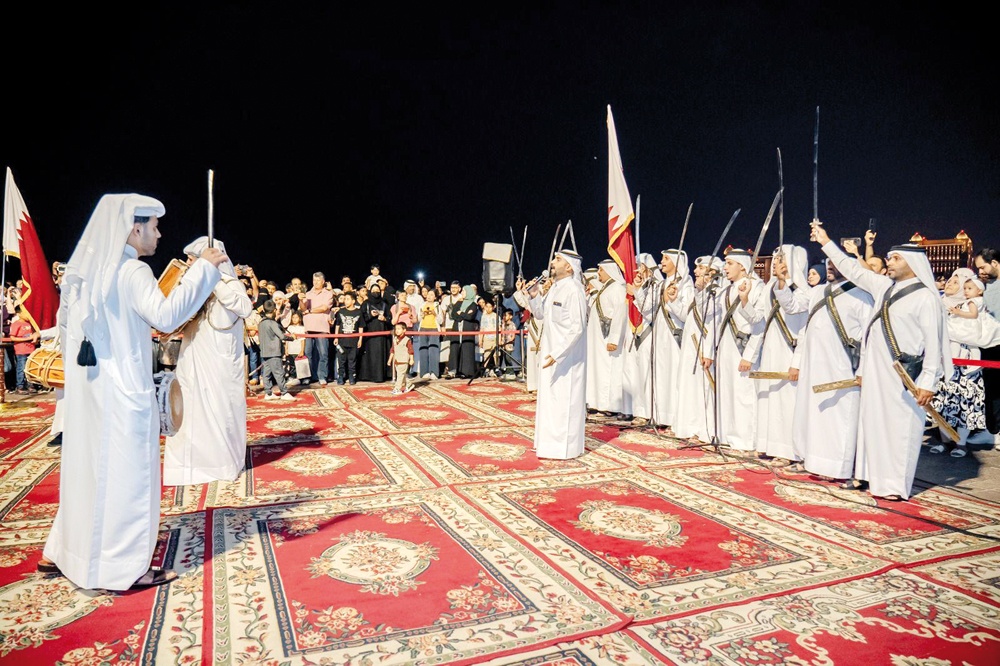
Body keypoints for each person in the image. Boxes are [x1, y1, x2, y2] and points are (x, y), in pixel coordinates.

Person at [40, 194, 225, 590]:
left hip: (89, 394)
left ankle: (63, 552)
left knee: (85, 473)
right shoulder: (132, 270)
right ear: (134, 227)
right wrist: (203, 271)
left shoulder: (84, 274)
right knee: (129, 481)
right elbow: (167, 316)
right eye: (154, 227)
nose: (158, 235)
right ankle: (125, 568)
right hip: (124, 395)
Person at [814, 223, 949, 501]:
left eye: (896, 258)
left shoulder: (925, 297)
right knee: (871, 424)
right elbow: (851, 269)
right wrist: (826, 241)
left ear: (913, 264)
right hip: (876, 371)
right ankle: (867, 476)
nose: (890, 261)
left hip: (904, 375)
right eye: (890, 257)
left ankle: (894, 485)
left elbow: (933, 344)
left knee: (898, 428)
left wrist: (928, 382)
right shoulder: (885, 287)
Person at [164, 236, 255, 486]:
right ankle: (189, 466)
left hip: (221, 363)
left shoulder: (229, 283)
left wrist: (214, 281)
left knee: (219, 409)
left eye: (192, 260)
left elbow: (244, 308)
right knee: (189, 409)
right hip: (193, 357)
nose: (188, 264)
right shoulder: (190, 285)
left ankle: (221, 463)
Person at [789, 258, 874, 480]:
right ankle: (810, 459)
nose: (830, 267)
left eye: (835, 264)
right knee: (812, 414)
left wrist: (862, 370)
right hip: (812, 364)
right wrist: (782, 280)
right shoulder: (818, 292)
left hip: (841, 367)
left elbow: (869, 337)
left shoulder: (861, 296)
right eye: (829, 263)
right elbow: (795, 311)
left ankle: (836, 467)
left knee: (838, 417)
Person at [521, 250, 587, 458]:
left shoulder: (574, 290)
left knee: (564, 403)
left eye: (558, 259)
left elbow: (577, 327)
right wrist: (534, 296)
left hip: (567, 359)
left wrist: (557, 353)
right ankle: (548, 445)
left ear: (569, 267)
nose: (552, 262)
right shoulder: (555, 288)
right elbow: (541, 314)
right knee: (550, 403)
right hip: (550, 356)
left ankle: (565, 449)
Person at [748, 245, 810, 464]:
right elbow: (758, 319)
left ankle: (788, 451)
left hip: (789, 353)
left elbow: (795, 312)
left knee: (787, 403)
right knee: (769, 398)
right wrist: (745, 301)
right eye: (774, 259)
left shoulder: (803, 291)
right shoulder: (770, 287)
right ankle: (768, 445)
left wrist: (797, 362)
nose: (775, 262)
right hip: (771, 351)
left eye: (780, 259)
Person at [706, 249, 767, 451]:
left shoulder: (756, 287)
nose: (725, 268)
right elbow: (714, 317)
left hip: (744, 349)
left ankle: (745, 441)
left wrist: (749, 356)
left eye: (729, 263)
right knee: (727, 393)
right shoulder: (726, 288)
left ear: (741, 265)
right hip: (726, 349)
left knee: (744, 396)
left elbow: (758, 323)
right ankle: (726, 436)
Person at [929, 272, 987, 457]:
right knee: (943, 402)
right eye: (949, 281)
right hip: (944, 362)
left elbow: (972, 333)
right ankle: (944, 441)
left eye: (956, 282)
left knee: (965, 403)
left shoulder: (972, 307)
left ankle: (960, 444)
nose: (949, 284)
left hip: (966, 365)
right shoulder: (939, 303)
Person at [675, 256, 725, 442]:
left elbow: (712, 320)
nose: (695, 272)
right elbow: (686, 316)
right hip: (690, 347)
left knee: (703, 390)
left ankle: (703, 429)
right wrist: (672, 301)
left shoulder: (717, 293)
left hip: (704, 348)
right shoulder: (701, 292)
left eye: (701, 268)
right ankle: (689, 426)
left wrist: (709, 352)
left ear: (712, 273)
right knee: (689, 387)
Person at [652, 250, 694, 428]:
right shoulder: (661, 284)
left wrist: (672, 301)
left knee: (674, 376)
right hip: (660, 336)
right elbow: (649, 310)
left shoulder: (686, 284)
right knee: (661, 376)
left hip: (675, 336)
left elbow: (687, 315)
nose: (662, 262)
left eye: (666, 259)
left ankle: (675, 419)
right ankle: (661, 416)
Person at [622, 253, 661, 425]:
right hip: (636, 334)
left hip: (649, 333)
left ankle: (649, 412)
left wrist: (636, 292)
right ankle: (639, 411)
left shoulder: (656, 286)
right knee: (636, 374)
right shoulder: (642, 286)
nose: (637, 270)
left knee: (647, 374)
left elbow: (648, 311)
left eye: (639, 267)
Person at [585, 260, 628, 416]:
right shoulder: (606, 288)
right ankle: (598, 403)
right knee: (599, 370)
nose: (598, 273)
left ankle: (609, 407)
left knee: (608, 371)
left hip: (608, 339)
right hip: (598, 340)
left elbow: (620, 314)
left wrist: (614, 339)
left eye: (601, 270)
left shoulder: (617, 288)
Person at [256, 300, 296, 402]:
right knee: (279, 373)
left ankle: (268, 393)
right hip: (274, 352)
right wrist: (292, 338)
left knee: (266, 373)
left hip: (264, 351)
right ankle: (284, 392)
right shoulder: (272, 323)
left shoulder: (261, 323)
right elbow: (282, 336)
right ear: (274, 310)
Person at [303, 272, 333, 386]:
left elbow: (324, 307)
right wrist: (301, 301)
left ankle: (322, 376)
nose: (315, 283)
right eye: (314, 280)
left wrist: (310, 311)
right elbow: (303, 309)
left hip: (322, 327)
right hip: (308, 327)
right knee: (307, 354)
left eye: (318, 280)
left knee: (323, 354)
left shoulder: (328, 293)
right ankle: (307, 377)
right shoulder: (308, 293)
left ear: (323, 281)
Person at [446, 284, 480, 379]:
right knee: (454, 349)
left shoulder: (473, 305)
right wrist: (464, 314)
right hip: (457, 329)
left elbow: (470, 317)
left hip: (467, 329)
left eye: (464, 291)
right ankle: (452, 371)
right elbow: (453, 315)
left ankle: (466, 372)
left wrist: (461, 313)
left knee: (467, 349)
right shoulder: (458, 303)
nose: (462, 293)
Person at [359, 284, 392, 382]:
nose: (376, 292)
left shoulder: (384, 304)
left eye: (377, 290)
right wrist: (370, 315)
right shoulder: (365, 304)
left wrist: (384, 319)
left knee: (380, 354)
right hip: (369, 334)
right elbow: (361, 319)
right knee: (370, 355)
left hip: (382, 334)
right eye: (373, 290)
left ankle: (381, 376)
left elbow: (390, 318)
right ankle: (369, 376)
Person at [334, 291, 363, 385]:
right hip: (342, 340)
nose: (345, 301)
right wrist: (336, 337)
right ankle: (340, 377)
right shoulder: (341, 311)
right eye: (344, 299)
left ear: (353, 301)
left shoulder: (358, 312)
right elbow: (337, 325)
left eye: (347, 299)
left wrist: (360, 339)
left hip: (353, 341)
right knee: (341, 360)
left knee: (352, 360)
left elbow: (361, 327)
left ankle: (352, 377)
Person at [9, 306, 39, 394]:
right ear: (19, 313)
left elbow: (34, 334)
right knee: (21, 368)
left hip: (31, 349)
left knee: (30, 368)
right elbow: (12, 338)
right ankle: (20, 386)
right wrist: (27, 339)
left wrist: (35, 340)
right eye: (25, 312)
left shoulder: (30, 324)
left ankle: (30, 385)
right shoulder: (16, 324)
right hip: (21, 351)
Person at [415, 289, 442, 378]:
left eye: (431, 295)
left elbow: (441, 320)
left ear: (435, 297)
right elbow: (419, 319)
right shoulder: (422, 305)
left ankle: (434, 372)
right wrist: (422, 315)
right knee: (423, 350)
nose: (429, 296)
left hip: (434, 328)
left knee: (433, 350)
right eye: (428, 294)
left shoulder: (437, 306)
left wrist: (435, 314)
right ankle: (424, 372)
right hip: (423, 328)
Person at [388, 322, 414, 394]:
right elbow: (392, 350)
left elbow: (410, 350)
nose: (397, 330)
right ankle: (409, 384)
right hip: (397, 361)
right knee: (402, 375)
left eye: (399, 329)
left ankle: (397, 388)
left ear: (404, 330)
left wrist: (411, 359)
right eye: (396, 329)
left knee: (400, 375)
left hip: (404, 361)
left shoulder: (407, 340)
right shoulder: (395, 339)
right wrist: (390, 360)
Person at [480, 298, 499, 376]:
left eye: (490, 307)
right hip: (487, 337)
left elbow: (499, 328)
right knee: (486, 354)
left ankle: (496, 368)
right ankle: (486, 369)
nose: (488, 308)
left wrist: (499, 339)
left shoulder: (496, 316)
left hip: (494, 337)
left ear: (493, 307)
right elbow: (482, 328)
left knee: (496, 354)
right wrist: (481, 339)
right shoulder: (483, 316)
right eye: (487, 306)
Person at [285, 310, 306, 382]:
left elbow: (303, 340)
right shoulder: (289, 328)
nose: (294, 319)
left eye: (296, 317)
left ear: (300, 318)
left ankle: (300, 378)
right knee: (291, 364)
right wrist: (286, 349)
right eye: (293, 317)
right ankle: (292, 377)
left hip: (298, 350)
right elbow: (287, 340)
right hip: (291, 350)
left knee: (299, 365)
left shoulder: (302, 328)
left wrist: (302, 350)